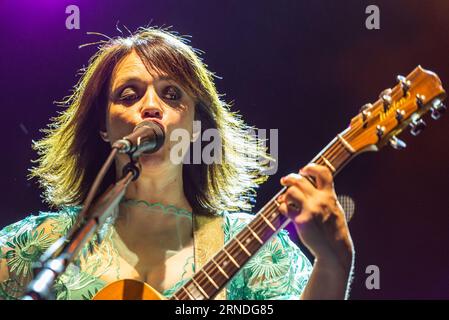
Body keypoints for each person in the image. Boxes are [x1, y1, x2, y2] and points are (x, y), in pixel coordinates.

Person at [0, 27, 354, 300]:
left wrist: (333, 263)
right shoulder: (43, 243)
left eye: (172, 94)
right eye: (129, 94)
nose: (150, 106)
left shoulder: (252, 250)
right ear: (103, 129)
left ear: (197, 128)